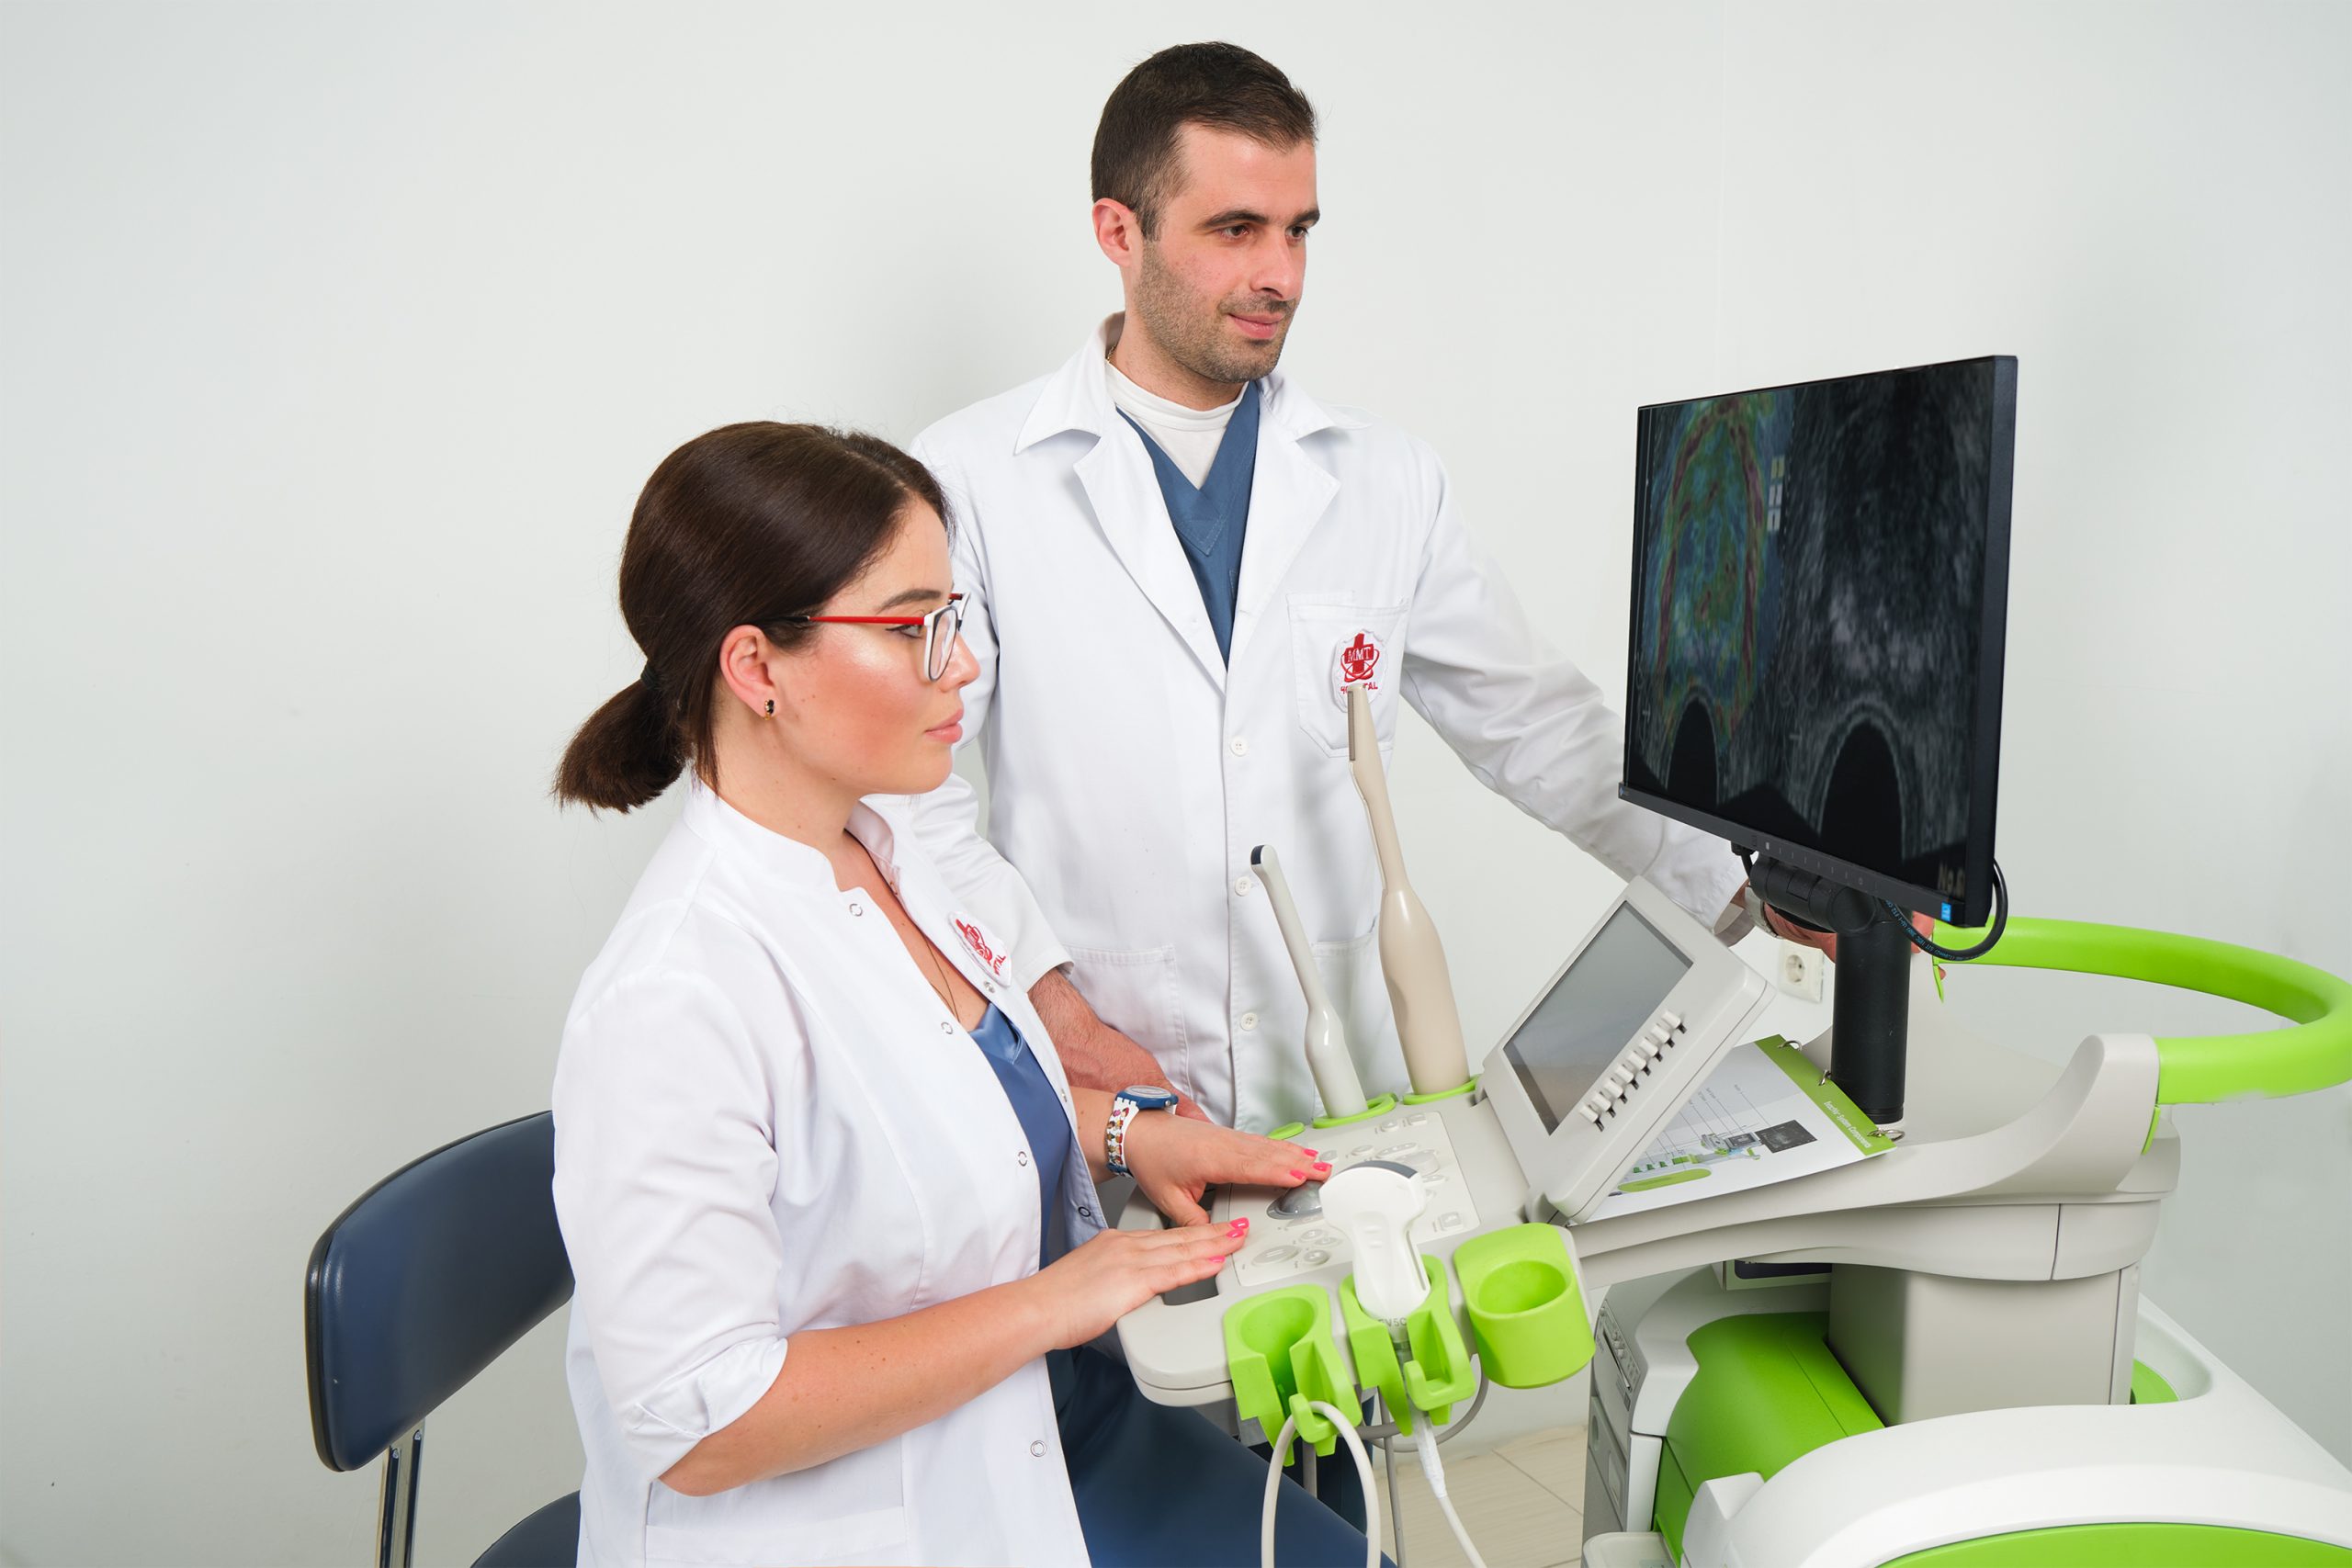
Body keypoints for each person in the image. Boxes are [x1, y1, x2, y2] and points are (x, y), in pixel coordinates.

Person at [910, 42, 1785, 1137]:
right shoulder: (969, 480)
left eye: (1298, 230)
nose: (1280, 275)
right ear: (1118, 233)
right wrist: (1058, 1013)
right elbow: (906, 792)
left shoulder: (1383, 479)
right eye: (1236, 230)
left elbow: (1535, 726)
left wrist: (1753, 887)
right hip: (1105, 1097)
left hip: (1345, 1102)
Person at [548, 422, 1377, 1567]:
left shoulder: (883, 853)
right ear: (756, 668)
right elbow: (699, 1419)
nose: (963, 665)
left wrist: (1128, 1133)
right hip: (872, 1516)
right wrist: (1056, 1299)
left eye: (955, 617)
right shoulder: (673, 995)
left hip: (1049, 1415)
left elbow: (923, 1117)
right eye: (912, 629)